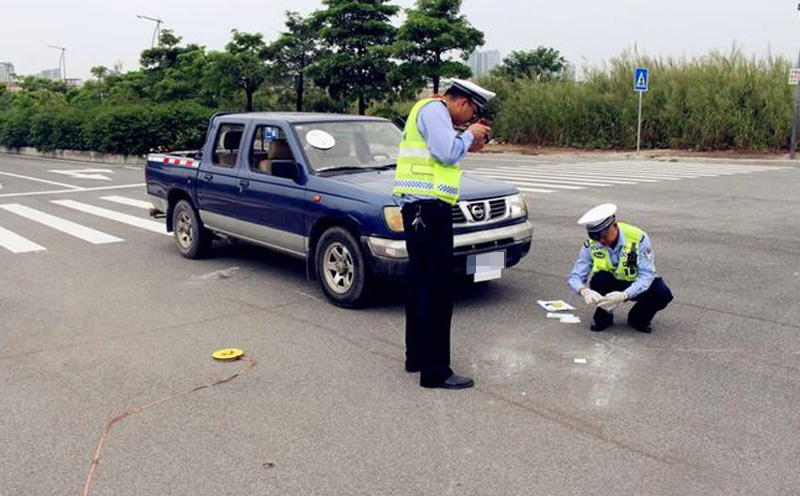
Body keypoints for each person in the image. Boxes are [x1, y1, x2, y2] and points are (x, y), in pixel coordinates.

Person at [392, 79, 494, 389]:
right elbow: (446, 153)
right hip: (428, 211)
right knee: (438, 289)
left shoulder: (429, 112)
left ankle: (417, 357)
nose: (470, 120)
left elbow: (441, 155)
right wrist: (468, 137)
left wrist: (465, 140)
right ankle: (435, 371)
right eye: (472, 113)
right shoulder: (435, 111)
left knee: (421, 284)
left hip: (421, 210)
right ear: (463, 102)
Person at [567, 203, 674, 333]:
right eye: (596, 237)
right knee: (599, 280)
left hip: (635, 282)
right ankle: (605, 315)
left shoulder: (638, 238)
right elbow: (575, 276)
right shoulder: (592, 244)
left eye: (604, 235)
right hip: (610, 283)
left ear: (615, 226)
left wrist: (625, 295)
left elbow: (646, 274)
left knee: (661, 293)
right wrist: (583, 290)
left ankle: (637, 318)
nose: (601, 241)